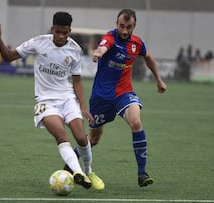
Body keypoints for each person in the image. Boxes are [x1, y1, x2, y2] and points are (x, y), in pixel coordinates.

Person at [0, 11, 105, 191]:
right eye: (58, 32)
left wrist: (83, 107)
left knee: (82, 138)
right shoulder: (38, 42)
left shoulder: (75, 50)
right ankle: (77, 172)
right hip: (45, 102)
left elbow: (77, 81)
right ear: (52, 29)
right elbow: (9, 56)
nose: (61, 36)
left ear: (69, 31)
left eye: (65, 33)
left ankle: (88, 172)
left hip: (67, 98)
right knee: (61, 136)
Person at [64, 9, 167, 187]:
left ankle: (142, 173)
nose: (125, 31)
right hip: (101, 98)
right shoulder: (110, 37)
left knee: (135, 122)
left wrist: (158, 79)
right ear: (116, 24)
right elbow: (104, 46)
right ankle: (70, 163)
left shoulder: (137, 43)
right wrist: (98, 53)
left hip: (123, 94)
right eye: (121, 26)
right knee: (94, 139)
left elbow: (148, 57)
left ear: (134, 26)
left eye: (129, 27)